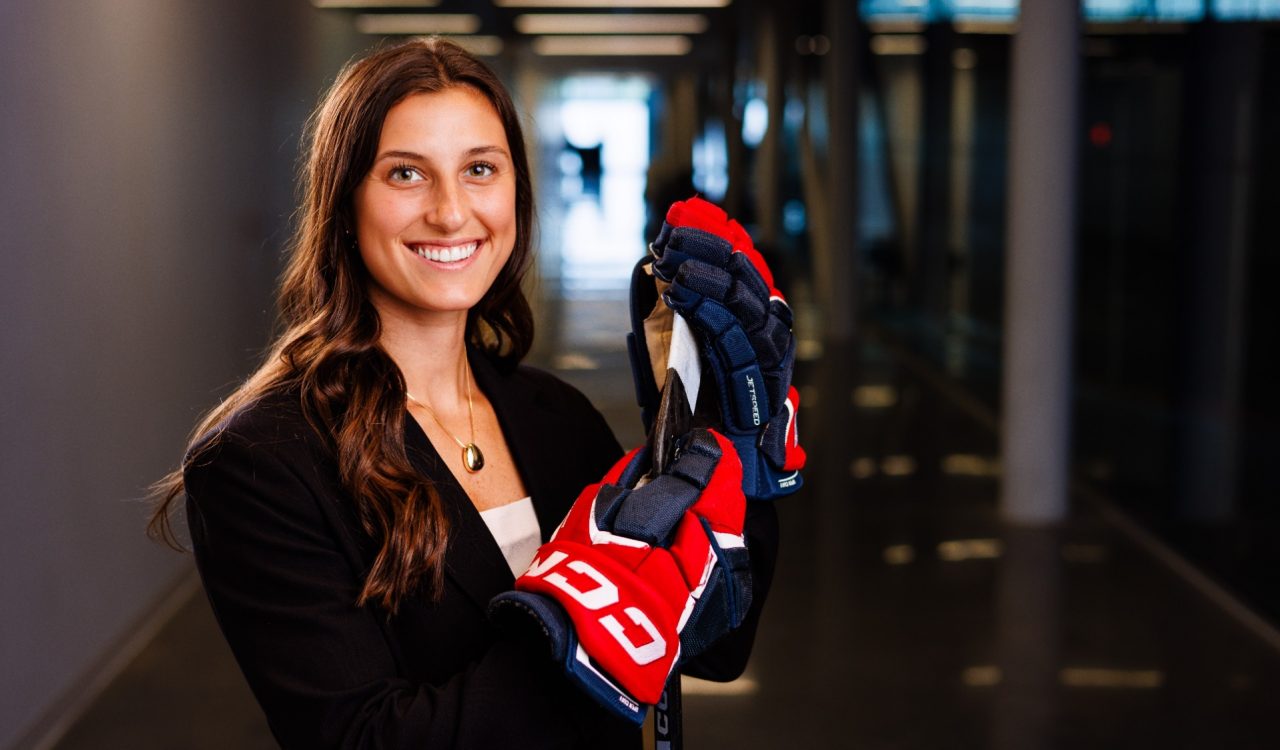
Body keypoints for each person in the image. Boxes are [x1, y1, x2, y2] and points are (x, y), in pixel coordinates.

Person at [149, 38, 780, 749]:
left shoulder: (556, 415)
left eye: (480, 169)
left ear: (516, 191)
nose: (451, 213)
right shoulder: (262, 461)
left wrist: (739, 454)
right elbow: (364, 738)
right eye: (406, 174)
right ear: (345, 200)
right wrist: (588, 629)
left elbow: (715, 648)